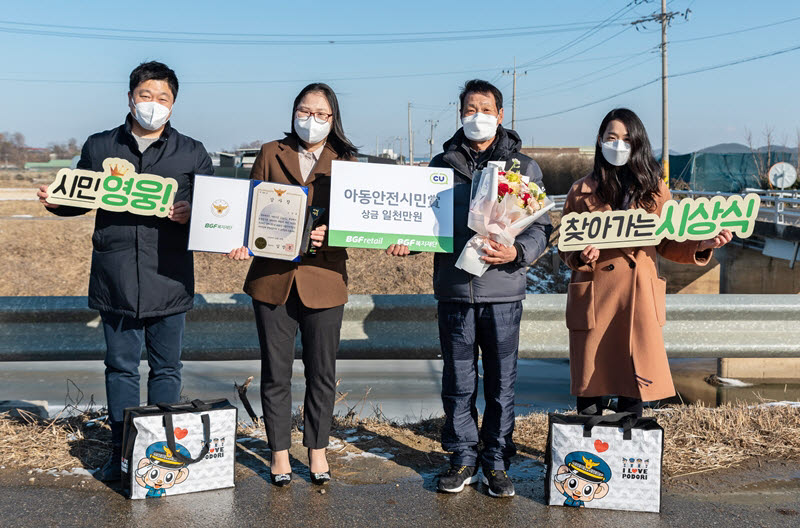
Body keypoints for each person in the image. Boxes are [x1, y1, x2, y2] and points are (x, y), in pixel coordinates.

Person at [36, 61, 213, 481]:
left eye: (163, 98)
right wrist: (56, 202)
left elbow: (211, 214)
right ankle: (123, 452)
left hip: (168, 275)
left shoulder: (192, 151)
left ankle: (163, 450)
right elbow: (79, 196)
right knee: (120, 367)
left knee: (167, 369)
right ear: (131, 97)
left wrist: (190, 213)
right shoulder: (100, 146)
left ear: (174, 103)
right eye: (146, 96)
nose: (154, 105)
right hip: (114, 274)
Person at [388, 79, 551, 497]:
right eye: (469, 108)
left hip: (503, 291)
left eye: (485, 108)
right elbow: (419, 221)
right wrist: (405, 243)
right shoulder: (440, 164)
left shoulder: (523, 168)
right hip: (455, 289)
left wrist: (516, 252)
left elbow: (541, 227)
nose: (477, 116)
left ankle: (496, 462)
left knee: (501, 383)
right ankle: (462, 458)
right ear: (460, 114)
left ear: (500, 115)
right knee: (458, 381)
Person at [558, 108, 732, 418]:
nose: (618, 144)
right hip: (596, 295)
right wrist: (580, 257)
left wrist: (702, 244)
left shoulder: (656, 190)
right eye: (611, 137)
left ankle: (628, 457)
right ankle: (584, 459)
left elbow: (668, 240)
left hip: (637, 295)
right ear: (599, 141)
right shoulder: (580, 190)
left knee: (633, 385)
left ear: (638, 144)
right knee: (590, 393)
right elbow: (565, 244)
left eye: (626, 138)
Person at [227, 83, 357, 487]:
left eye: (321, 114)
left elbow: (359, 227)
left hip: (325, 279)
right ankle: (279, 453)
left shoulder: (347, 162)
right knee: (275, 371)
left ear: (333, 119)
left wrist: (331, 235)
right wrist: (240, 240)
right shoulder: (271, 152)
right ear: (294, 112)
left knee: (322, 371)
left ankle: (317, 450)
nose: (312, 120)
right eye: (305, 111)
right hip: (272, 279)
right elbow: (250, 208)